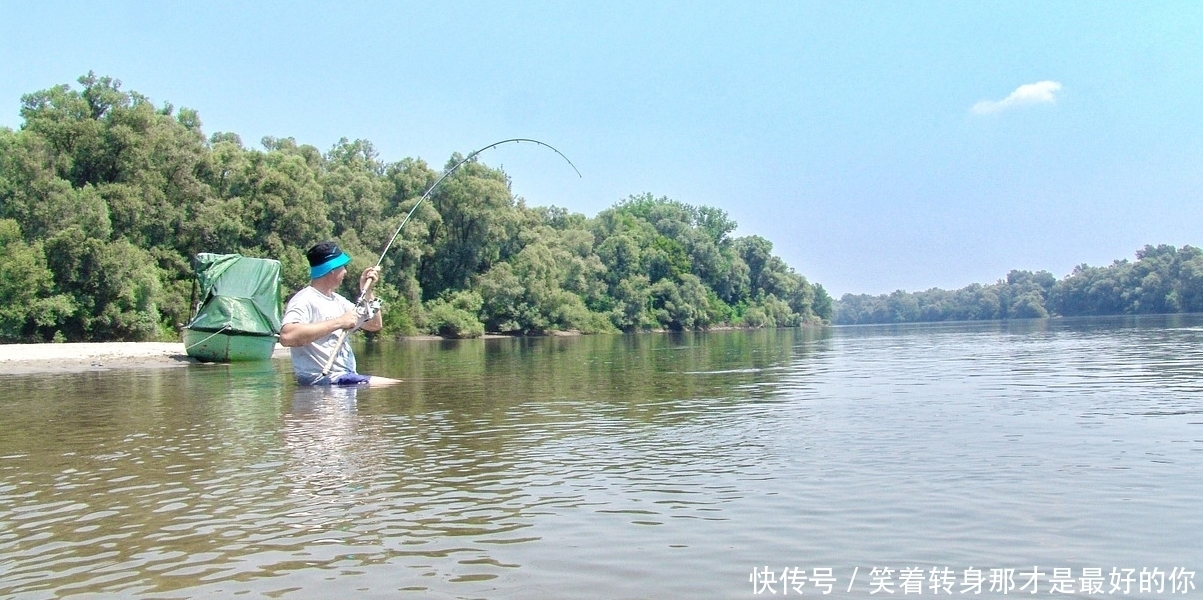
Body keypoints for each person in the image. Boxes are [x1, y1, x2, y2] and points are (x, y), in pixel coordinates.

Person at [279, 241, 400, 386]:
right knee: (394, 384)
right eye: (343, 267)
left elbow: (374, 325)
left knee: (392, 384)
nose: (345, 271)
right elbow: (287, 336)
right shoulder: (304, 300)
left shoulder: (338, 301)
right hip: (322, 380)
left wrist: (367, 291)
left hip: (344, 379)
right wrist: (339, 322)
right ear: (332, 270)